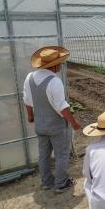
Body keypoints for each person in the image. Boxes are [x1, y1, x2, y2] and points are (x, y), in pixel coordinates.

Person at [23, 46, 81, 193]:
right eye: (60, 63)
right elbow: (61, 107)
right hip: (56, 126)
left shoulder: (29, 78)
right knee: (61, 154)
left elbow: (27, 100)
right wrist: (73, 123)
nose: (61, 65)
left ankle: (47, 182)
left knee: (43, 155)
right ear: (53, 65)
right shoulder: (54, 82)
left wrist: (30, 116)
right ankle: (61, 184)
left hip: (40, 125)